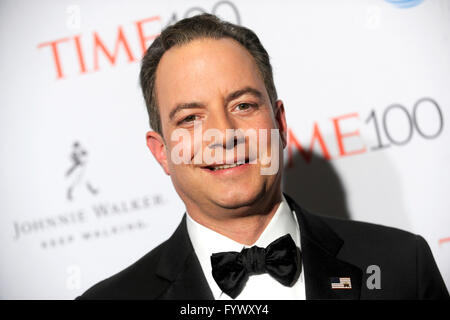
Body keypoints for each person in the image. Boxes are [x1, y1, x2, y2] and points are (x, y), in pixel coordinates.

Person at [77, 14, 449, 300]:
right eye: (191, 118)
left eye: (243, 105)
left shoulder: (401, 266)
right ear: (162, 153)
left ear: (280, 124)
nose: (224, 135)